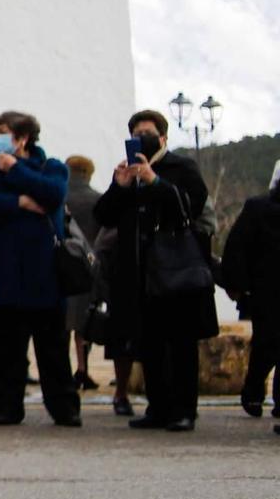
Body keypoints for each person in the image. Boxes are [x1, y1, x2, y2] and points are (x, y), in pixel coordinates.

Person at [94, 109, 215, 432]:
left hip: (175, 269)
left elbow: (191, 207)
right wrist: (119, 186)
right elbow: (104, 216)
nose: (140, 140)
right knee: (149, 343)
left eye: (146, 133)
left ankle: (185, 409)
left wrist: (155, 181)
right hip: (138, 270)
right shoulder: (128, 174)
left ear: (162, 137)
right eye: (135, 135)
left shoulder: (181, 168)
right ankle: (158, 407)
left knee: (181, 344)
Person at [0, 111, 80, 427]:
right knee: (4, 351)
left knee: (53, 350)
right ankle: (6, 406)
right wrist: (18, 204)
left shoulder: (51, 167)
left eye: (4, 132)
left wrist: (15, 171)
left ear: (23, 137)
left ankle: (64, 407)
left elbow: (53, 194)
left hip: (43, 275)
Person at [220, 163, 280, 422]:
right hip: (267, 290)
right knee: (267, 344)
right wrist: (237, 284)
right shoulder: (258, 208)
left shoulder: (257, 207)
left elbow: (236, 247)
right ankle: (254, 390)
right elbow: (238, 248)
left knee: (267, 344)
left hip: (264, 290)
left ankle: (257, 393)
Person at [63, 155, 104, 391]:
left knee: (62, 324)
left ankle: (65, 372)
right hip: (89, 267)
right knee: (84, 324)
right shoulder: (97, 199)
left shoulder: (61, 198)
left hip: (63, 265)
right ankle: (83, 369)